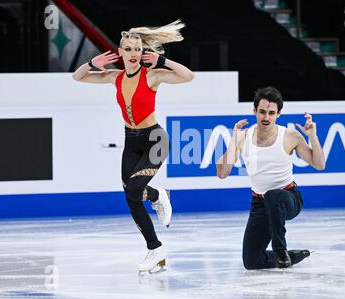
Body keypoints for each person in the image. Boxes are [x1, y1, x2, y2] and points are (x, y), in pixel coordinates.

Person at [72, 20, 194, 274]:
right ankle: (155, 247)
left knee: (136, 188)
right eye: (128, 49)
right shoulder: (114, 77)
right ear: (120, 52)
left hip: (156, 140)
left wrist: (162, 61)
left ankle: (158, 197)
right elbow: (78, 77)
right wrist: (91, 64)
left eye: (137, 49)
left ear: (142, 52)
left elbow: (188, 76)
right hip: (131, 140)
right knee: (131, 196)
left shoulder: (152, 75)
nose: (133, 54)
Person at [216, 86, 325, 269]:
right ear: (254, 111)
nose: (266, 118)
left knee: (274, 195)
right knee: (251, 261)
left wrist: (312, 136)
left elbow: (319, 164)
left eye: (271, 113)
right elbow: (222, 173)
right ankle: (291, 256)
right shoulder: (244, 137)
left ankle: (280, 251)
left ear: (278, 114)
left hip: (289, 198)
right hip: (260, 203)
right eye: (262, 112)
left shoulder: (290, 136)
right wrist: (234, 142)